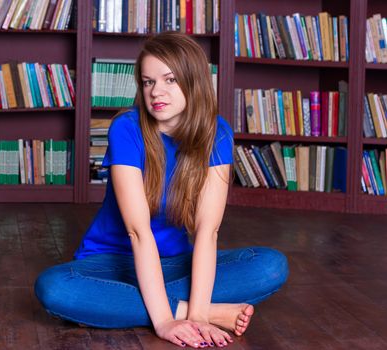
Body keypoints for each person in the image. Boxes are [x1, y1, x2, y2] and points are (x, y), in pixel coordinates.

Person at [35, 32, 288, 348]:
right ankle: (194, 307)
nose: (157, 92)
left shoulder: (217, 132)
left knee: (270, 265)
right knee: (55, 288)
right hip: (112, 262)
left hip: (177, 263)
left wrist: (195, 316)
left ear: (193, 82)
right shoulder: (127, 128)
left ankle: (159, 305)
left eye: (169, 80)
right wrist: (167, 320)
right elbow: (138, 233)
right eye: (148, 82)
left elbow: (207, 232)